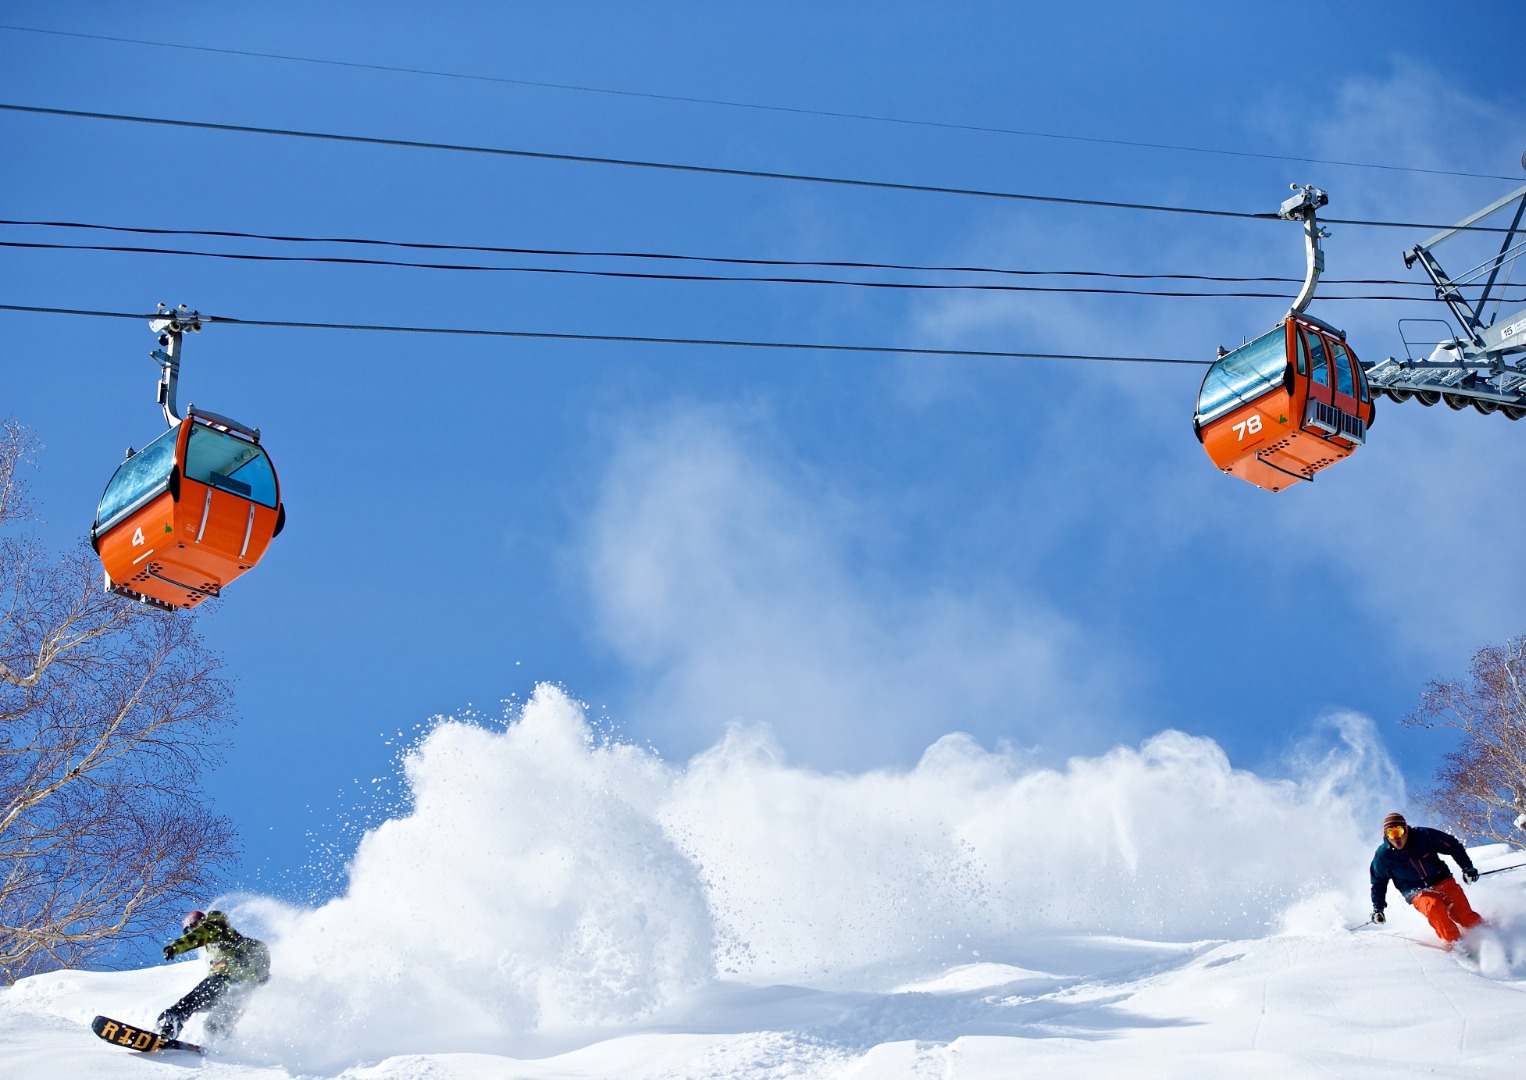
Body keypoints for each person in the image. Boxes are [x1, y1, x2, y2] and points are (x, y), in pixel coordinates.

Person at [1369, 812, 1483, 946]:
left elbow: (1452, 845)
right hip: (1416, 891)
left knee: (1464, 915)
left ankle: (1484, 935)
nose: (1397, 838)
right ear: (1386, 835)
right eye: (1391, 833)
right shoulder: (1383, 856)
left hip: (1442, 880)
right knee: (1435, 908)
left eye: (1399, 831)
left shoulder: (1424, 836)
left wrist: (1467, 868)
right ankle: (1457, 943)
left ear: (1406, 829)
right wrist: (1378, 908)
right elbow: (1378, 882)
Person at [155, 909, 271, 1041]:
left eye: (190, 931)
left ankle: (166, 1030)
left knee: (185, 1006)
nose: (191, 934)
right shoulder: (236, 941)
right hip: (242, 993)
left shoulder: (216, 926)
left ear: (196, 924)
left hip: (224, 980)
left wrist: (176, 947)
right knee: (214, 1027)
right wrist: (262, 975)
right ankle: (224, 1050)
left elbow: (200, 934)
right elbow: (261, 948)